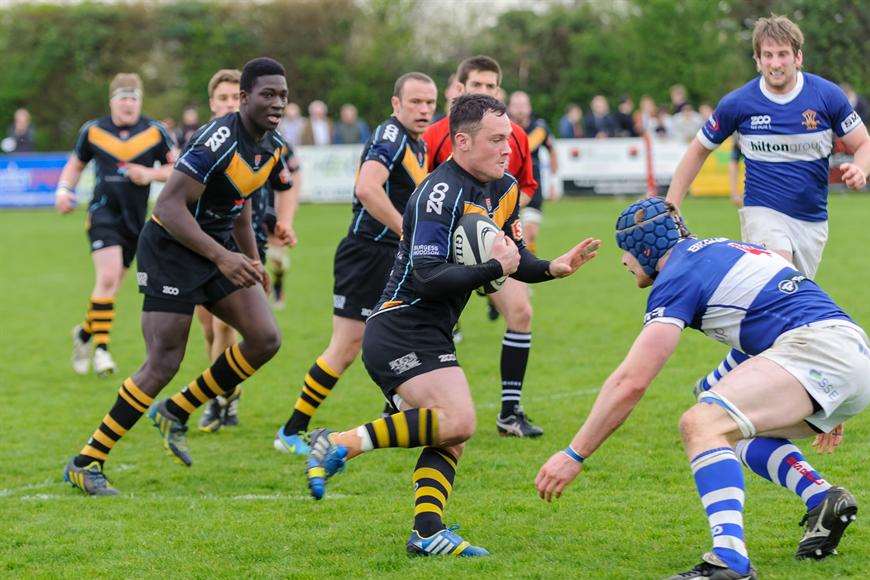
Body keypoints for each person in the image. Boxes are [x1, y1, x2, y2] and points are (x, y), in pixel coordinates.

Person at [305, 94, 600, 556]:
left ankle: (426, 533)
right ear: (462, 142)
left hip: (430, 330)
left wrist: (551, 268)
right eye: (496, 140)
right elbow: (429, 274)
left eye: (510, 140)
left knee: (450, 432)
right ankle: (338, 443)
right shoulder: (438, 193)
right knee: (458, 419)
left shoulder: (502, 188)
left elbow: (512, 257)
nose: (508, 150)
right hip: (399, 325)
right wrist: (493, 271)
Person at [536, 197, 869, 578]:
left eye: (626, 252)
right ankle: (821, 496)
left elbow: (631, 382)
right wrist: (828, 393)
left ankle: (729, 560)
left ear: (645, 248)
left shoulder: (678, 274)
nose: (624, 262)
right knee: (729, 426)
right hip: (846, 354)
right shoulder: (721, 249)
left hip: (818, 352)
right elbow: (775, 318)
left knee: (701, 424)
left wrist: (574, 454)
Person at [62, 57, 291, 495]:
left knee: (265, 339)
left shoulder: (272, 146)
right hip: (170, 249)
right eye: (267, 94)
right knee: (164, 360)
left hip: (215, 250)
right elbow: (167, 207)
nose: (277, 102)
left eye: (282, 94)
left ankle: (175, 411)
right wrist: (223, 259)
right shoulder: (218, 139)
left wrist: (252, 258)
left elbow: (240, 206)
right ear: (244, 98)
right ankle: (86, 460)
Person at [665, 14, 869, 395]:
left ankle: (714, 383)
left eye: (783, 54)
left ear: (798, 57)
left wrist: (860, 167)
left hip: (812, 222)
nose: (776, 63)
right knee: (779, 281)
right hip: (763, 213)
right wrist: (671, 205)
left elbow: (863, 142)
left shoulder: (825, 96)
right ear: (757, 60)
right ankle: (766, 398)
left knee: (780, 315)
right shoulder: (739, 103)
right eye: (768, 55)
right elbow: (697, 151)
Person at [273, 72, 436, 455]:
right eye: (415, 102)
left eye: (430, 102)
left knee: (409, 331)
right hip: (366, 254)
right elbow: (366, 188)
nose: (424, 109)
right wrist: (405, 232)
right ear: (396, 104)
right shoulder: (391, 137)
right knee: (347, 346)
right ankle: (291, 431)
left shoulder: (419, 145)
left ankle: (395, 415)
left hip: (393, 255)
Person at [424, 55, 544, 437]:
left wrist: (493, 226)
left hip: (494, 245)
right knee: (432, 327)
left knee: (521, 312)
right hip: (439, 252)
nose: (486, 92)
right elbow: (418, 194)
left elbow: (525, 187)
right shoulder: (436, 135)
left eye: (492, 86)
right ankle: (402, 403)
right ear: (460, 88)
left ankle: (510, 413)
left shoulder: (515, 136)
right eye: (478, 85)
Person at [191, 68, 299, 433]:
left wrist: (284, 221)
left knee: (225, 328)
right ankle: (225, 393)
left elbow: (286, 183)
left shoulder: (269, 139)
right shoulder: (206, 141)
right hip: (202, 244)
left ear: (240, 98)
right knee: (208, 330)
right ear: (212, 103)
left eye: (229, 97)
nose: (225, 104)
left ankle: (218, 400)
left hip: (246, 239)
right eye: (219, 98)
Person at [55, 73, 176, 377]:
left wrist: (149, 174)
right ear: (112, 101)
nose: (128, 103)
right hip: (102, 214)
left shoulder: (154, 131)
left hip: (135, 222)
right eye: (123, 97)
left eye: (134, 98)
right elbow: (75, 164)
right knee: (107, 277)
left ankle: (84, 333)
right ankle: (102, 351)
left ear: (140, 102)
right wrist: (64, 190)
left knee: (109, 289)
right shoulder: (94, 131)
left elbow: (179, 167)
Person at [508, 90, 559, 254]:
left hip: (532, 186)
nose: (520, 109)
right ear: (509, 107)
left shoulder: (539, 128)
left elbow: (552, 152)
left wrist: (554, 183)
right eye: (516, 105)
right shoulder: (502, 127)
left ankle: (527, 268)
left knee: (529, 234)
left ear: (529, 107)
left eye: (523, 105)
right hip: (506, 185)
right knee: (507, 236)